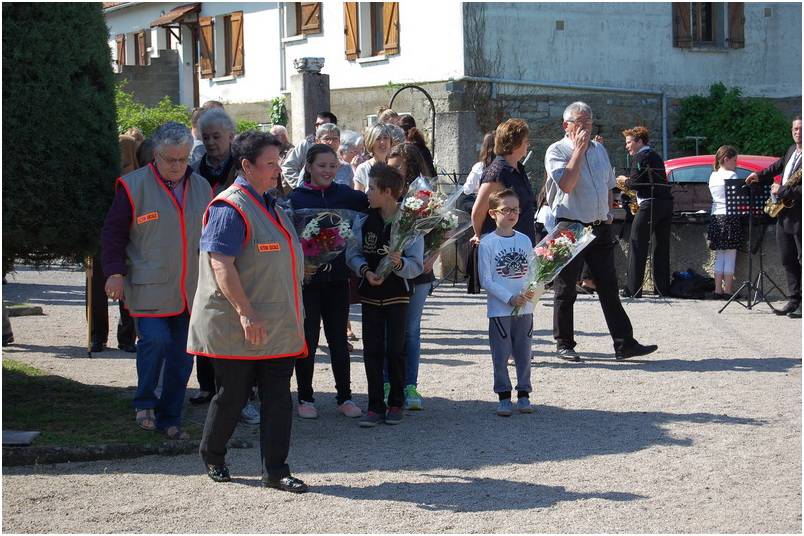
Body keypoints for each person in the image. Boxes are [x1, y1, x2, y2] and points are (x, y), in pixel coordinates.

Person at [188, 130, 309, 493]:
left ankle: (275, 471)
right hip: (240, 323)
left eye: (278, 162)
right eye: (270, 164)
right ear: (246, 166)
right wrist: (245, 312)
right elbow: (221, 263)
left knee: (277, 399)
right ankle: (212, 454)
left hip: (274, 323)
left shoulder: (270, 202)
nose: (278, 170)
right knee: (233, 395)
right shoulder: (230, 207)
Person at [101, 122, 212, 439]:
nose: (178, 166)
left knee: (182, 355)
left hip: (191, 289)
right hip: (149, 285)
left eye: (183, 159)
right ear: (154, 155)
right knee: (155, 341)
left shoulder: (203, 188)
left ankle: (170, 416)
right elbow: (113, 235)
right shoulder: (132, 186)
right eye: (170, 160)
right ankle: (145, 402)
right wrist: (114, 273)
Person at [545, 102, 657, 361]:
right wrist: (579, 150)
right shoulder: (557, 150)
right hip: (570, 225)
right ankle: (564, 343)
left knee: (608, 286)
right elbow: (567, 185)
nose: (585, 127)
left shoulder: (600, 150)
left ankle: (624, 343)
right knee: (566, 289)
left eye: (588, 122)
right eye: (579, 122)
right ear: (567, 126)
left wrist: (608, 214)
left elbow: (608, 185)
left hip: (598, 226)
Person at [288, 144, 369, 419]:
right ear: (309, 167)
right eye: (322, 166)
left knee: (338, 339)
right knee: (307, 338)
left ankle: (345, 397)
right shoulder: (295, 199)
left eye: (332, 166)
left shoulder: (347, 196)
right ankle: (306, 398)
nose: (327, 171)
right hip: (307, 280)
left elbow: (375, 209)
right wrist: (300, 266)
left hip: (337, 277)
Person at [346, 163, 424, 427]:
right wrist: (365, 271)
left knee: (396, 350)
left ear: (387, 191)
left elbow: (417, 264)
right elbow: (353, 253)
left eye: (371, 188)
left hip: (397, 296)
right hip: (370, 295)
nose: (366, 192)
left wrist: (400, 265)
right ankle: (374, 406)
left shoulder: (410, 223)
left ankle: (396, 403)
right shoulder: (364, 219)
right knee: (372, 351)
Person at [478, 189, 535, 416]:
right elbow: (486, 280)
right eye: (506, 210)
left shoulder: (525, 240)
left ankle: (524, 394)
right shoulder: (487, 242)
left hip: (525, 306)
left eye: (516, 210)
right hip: (501, 308)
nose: (512, 214)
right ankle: (503, 395)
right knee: (500, 354)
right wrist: (509, 298)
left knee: (524, 353)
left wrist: (530, 292)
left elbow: (533, 272)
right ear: (493, 213)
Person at [387, 142, 435, 410]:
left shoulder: (425, 195)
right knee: (388, 331)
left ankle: (410, 385)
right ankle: (387, 382)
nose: (391, 171)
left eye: (397, 167)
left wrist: (434, 254)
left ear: (410, 168)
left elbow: (441, 229)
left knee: (411, 331)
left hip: (419, 271)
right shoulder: (387, 192)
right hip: (392, 270)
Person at [746, 114, 803, 318]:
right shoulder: (791, 151)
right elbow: (779, 165)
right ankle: (794, 300)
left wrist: (782, 191)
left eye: (801, 128)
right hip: (784, 213)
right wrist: (759, 175)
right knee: (787, 259)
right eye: (795, 129)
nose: (798, 132)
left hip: (800, 215)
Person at [88, 135, 139, 353]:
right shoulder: (97, 169)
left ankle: (126, 336)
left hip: (129, 236)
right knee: (95, 286)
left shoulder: (137, 174)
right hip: (100, 234)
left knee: (128, 286)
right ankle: (97, 335)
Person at [616, 126, 673, 298]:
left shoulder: (639, 157)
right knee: (661, 247)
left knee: (637, 244)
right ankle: (662, 288)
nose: (627, 146)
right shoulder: (655, 156)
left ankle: (633, 289)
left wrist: (623, 180)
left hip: (650, 204)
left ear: (639, 142)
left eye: (629, 142)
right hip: (665, 204)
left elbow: (634, 184)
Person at [470, 118, 535, 246]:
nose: (528, 145)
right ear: (515, 143)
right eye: (525, 141)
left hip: (521, 243)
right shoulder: (497, 172)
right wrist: (480, 237)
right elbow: (478, 212)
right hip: (501, 246)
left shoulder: (519, 169)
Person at [707, 145, 743, 299]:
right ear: (726, 160)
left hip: (716, 216)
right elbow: (740, 198)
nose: (736, 164)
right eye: (734, 160)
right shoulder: (732, 176)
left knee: (720, 255)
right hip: (730, 216)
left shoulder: (713, 176)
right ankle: (728, 291)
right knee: (730, 254)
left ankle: (717, 291)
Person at [281, 111, 338, 189]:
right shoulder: (306, 144)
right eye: (317, 125)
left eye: (323, 125)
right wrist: (303, 186)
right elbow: (288, 167)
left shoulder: (341, 146)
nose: (319, 127)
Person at [191, 108, 238, 195]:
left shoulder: (243, 170)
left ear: (230, 137)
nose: (210, 142)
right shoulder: (191, 171)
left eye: (216, 137)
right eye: (205, 137)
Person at [353, 123, 393, 193]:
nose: (382, 142)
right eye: (378, 138)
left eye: (386, 137)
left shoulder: (394, 167)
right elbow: (357, 199)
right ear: (370, 142)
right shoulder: (363, 169)